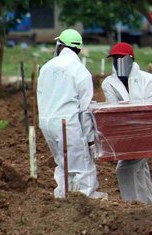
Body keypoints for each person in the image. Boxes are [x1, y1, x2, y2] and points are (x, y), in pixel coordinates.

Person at [37, 29, 105, 199]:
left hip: (47, 123)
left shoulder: (46, 67)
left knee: (62, 163)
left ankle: (62, 198)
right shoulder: (81, 72)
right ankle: (85, 203)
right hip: (68, 124)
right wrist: (90, 139)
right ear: (79, 50)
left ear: (60, 45)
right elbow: (85, 109)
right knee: (82, 167)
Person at [101, 42, 152, 205]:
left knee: (125, 169)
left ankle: (134, 207)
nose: (117, 62)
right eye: (115, 59)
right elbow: (113, 111)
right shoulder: (109, 83)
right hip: (126, 135)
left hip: (146, 133)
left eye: (121, 58)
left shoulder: (149, 80)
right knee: (140, 171)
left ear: (131, 59)